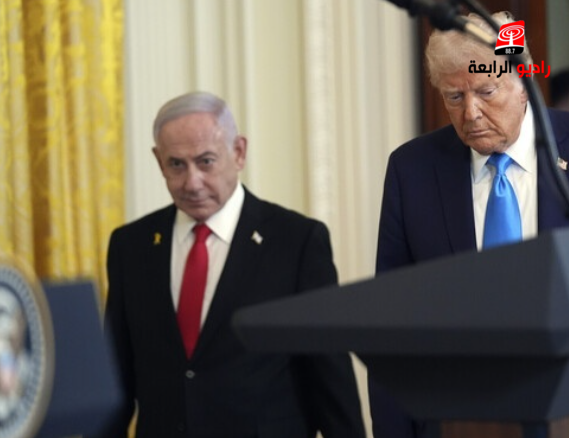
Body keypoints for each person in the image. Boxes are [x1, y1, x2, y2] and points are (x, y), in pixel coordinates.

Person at [103, 91, 366, 438]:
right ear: (158, 160)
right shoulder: (131, 246)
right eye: (176, 165)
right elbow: (114, 381)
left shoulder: (296, 242)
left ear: (239, 152)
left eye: (206, 162)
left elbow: (330, 378)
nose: (192, 182)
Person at [366, 11, 569, 438]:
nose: (471, 113)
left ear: (523, 82)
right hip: (456, 420)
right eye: (454, 97)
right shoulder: (412, 170)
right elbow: (391, 325)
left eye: (486, 91)